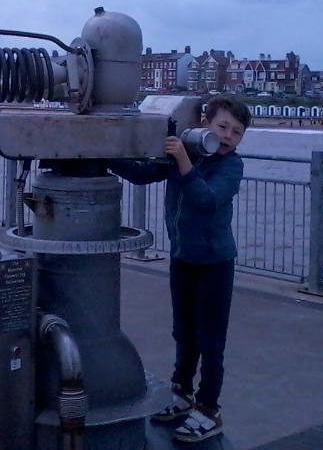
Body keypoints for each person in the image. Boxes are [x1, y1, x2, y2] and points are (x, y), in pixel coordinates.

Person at [109, 95, 251, 443]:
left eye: (236, 132)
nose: (228, 136)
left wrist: (184, 162)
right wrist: (103, 153)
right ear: (204, 123)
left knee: (210, 341)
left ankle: (209, 410)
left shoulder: (232, 166)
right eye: (222, 126)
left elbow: (207, 199)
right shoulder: (187, 155)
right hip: (183, 258)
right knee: (184, 333)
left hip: (215, 264)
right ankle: (182, 393)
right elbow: (141, 174)